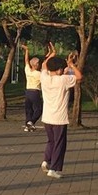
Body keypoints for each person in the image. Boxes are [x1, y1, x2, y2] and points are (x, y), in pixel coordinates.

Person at [39, 43, 83, 179]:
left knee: (51, 141)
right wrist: (72, 65)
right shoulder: (63, 80)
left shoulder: (44, 77)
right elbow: (79, 77)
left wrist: (51, 55)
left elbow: (44, 66)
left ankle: (47, 160)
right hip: (59, 118)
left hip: (47, 117)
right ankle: (54, 169)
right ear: (59, 70)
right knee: (59, 143)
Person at [21, 44, 43, 132]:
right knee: (38, 109)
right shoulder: (39, 74)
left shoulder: (28, 71)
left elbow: (26, 61)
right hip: (35, 92)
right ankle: (31, 122)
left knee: (28, 109)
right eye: (38, 63)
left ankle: (28, 125)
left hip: (27, 92)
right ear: (36, 64)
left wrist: (26, 51)